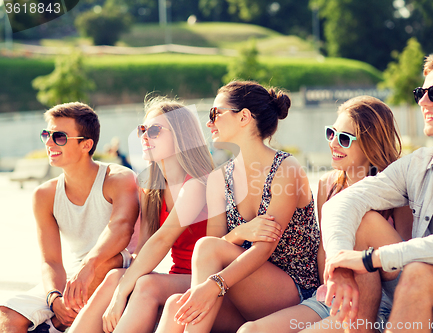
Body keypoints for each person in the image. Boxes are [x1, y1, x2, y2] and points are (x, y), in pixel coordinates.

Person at [322, 53, 433, 333]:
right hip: (418, 283)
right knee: (365, 220)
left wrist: (371, 259)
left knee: (419, 272)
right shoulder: (418, 164)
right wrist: (340, 262)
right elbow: (342, 202)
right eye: (421, 92)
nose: (423, 101)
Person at [155, 80, 321, 333]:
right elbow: (215, 242)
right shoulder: (219, 178)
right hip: (240, 288)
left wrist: (212, 286)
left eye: (215, 114)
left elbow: (263, 250)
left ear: (244, 117)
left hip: (293, 292)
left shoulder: (286, 168)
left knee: (205, 254)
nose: (209, 122)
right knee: (176, 306)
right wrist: (239, 233)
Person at [237, 96, 412, 332]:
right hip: (331, 298)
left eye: (344, 138)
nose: (333, 143)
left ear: (371, 143)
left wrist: (358, 266)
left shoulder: (397, 188)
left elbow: (402, 264)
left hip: (381, 303)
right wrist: (333, 288)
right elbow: (323, 248)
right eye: (331, 133)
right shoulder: (327, 184)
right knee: (250, 330)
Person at [68, 97, 214, 333]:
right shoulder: (151, 185)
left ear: (181, 136)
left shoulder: (198, 184)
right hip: (176, 278)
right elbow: (145, 245)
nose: (144, 137)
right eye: (142, 130)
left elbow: (162, 240)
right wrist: (121, 283)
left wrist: (122, 293)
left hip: (205, 280)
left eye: (155, 130)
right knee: (117, 276)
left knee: (144, 283)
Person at [0, 102, 139, 333]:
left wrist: (89, 264)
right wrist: (54, 298)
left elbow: (121, 228)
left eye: (60, 137)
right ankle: (55, 323)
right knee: (7, 315)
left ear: (86, 145)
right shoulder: (44, 195)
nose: (49, 143)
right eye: (47, 134)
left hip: (118, 266)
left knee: (107, 263)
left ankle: (54, 327)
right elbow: (51, 261)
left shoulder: (118, 179)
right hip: (74, 274)